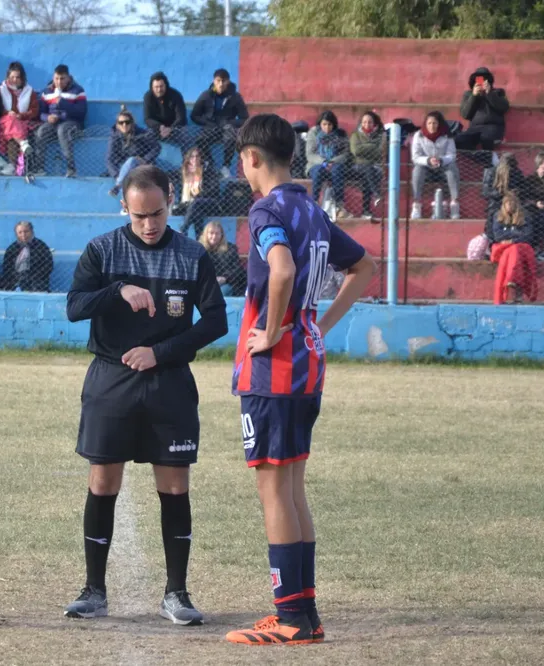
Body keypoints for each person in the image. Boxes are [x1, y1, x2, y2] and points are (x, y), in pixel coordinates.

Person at [225, 114, 375, 646]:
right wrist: (318, 324)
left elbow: (282, 271)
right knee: (291, 489)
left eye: (242, 159)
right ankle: (304, 615)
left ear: (252, 159)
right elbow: (364, 266)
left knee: (273, 491)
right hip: (307, 365)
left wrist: (269, 333)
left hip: (274, 371)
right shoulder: (310, 208)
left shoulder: (266, 208)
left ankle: (290, 618)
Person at [63, 164, 228, 626]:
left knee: (174, 487)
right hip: (111, 381)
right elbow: (75, 306)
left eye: (156, 213)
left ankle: (177, 593)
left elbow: (216, 321)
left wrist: (162, 353)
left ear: (169, 201)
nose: (149, 225)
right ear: (125, 208)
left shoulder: (193, 255)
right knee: (102, 483)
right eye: (139, 216)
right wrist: (118, 290)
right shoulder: (102, 250)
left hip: (169, 383)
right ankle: (94, 589)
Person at [190, 68, 249, 178]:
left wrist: (229, 123)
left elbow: (245, 118)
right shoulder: (206, 95)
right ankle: (209, 163)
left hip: (227, 129)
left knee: (232, 137)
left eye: (223, 81)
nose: (221, 84)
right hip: (210, 129)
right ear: (214, 81)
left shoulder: (235, 97)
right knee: (200, 139)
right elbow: (194, 115)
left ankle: (225, 167)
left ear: (228, 81)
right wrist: (207, 122)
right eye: (218, 81)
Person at [34, 64, 87, 178]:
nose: (59, 82)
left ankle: (71, 168)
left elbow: (81, 112)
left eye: (62, 78)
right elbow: (40, 113)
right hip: (53, 124)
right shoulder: (46, 92)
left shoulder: (78, 90)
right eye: (56, 78)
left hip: (73, 123)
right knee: (41, 131)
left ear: (68, 77)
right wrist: (47, 118)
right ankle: (39, 168)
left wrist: (63, 103)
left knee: (63, 130)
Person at [410, 111, 460, 220]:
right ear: (425, 124)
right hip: (426, 167)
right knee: (417, 170)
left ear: (439, 124)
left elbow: (452, 155)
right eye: (429, 123)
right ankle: (416, 204)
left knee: (452, 168)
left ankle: (454, 204)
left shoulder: (447, 135)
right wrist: (428, 160)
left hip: (443, 166)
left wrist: (441, 160)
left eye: (434, 123)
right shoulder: (418, 135)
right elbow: (415, 157)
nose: (432, 126)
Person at [490, 193, 537, 304]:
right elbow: (498, 236)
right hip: (503, 248)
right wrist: (516, 235)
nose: (510, 206)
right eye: (507, 203)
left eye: (512, 203)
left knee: (514, 251)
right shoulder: (498, 215)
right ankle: (516, 291)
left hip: (520, 247)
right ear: (503, 205)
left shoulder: (525, 215)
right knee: (514, 253)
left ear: (517, 205)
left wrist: (511, 239)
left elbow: (528, 235)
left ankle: (510, 280)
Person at [305, 110, 350, 220]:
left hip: (335, 164)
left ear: (334, 125)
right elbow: (310, 154)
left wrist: (332, 161)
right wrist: (323, 161)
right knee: (318, 171)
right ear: (320, 124)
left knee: (338, 171)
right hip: (317, 164)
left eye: (330, 124)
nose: (327, 127)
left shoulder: (340, 134)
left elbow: (345, 153)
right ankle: (314, 202)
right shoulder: (314, 133)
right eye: (324, 124)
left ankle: (340, 205)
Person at [106, 107, 160, 197]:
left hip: (141, 165)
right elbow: (109, 159)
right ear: (117, 125)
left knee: (132, 160)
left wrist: (145, 159)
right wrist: (116, 175)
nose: (124, 125)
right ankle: (121, 186)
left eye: (127, 122)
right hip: (123, 169)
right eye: (121, 123)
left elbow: (157, 147)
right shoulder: (115, 137)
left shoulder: (142, 133)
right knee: (128, 172)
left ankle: (118, 186)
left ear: (132, 123)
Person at [0, 61, 40, 173]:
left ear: (22, 78)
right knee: (11, 121)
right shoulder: (1, 90)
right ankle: (23, 144)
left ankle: (12, 166)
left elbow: (34, 110)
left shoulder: (29, 91)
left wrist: (21, 115)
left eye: (17, 77)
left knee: (12, 137)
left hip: (23, 122)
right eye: (12, 77)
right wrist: (8, 113)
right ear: (7, 77)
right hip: (5, 121)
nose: (14, 80)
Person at [455, 67, 510, 153]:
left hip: (493, 128)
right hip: (475, 128)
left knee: (486, 138)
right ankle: (487, 160)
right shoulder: (468, 94)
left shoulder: (498, 92)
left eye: (485, 80)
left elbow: (504, 108)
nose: (482, 82)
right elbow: (465, 114)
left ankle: (488, 162)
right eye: (479, 80)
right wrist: (474, 96)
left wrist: (489, 94)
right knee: (458, 140)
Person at [171, 146, 221, 238]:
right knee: (197, 212)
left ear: (201, 158)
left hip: (209, 202)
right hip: (192, 206)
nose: (195, 159)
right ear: (188, 158)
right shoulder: (184, 172)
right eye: (192, 156)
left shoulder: (208, 171)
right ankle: (200, 239)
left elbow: (214, 189)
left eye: (197, 156)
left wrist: (198, 195)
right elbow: (168, 175)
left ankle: (182, 229)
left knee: (196, 203)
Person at [348, 111, 384, 219]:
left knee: (368, 174)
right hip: (357, 167)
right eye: (364, 122)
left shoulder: (381, 136)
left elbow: (381, 152)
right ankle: (376, 195)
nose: (367, 124)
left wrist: (364, 148)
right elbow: (355, 151)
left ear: (374, 124)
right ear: (361, 123)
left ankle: (366, 211)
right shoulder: (355, 135)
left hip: (374, 168)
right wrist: (372, 146)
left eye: (370, 122)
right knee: (368, 169)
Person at [481, 152, 524, 241]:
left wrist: (516, 192)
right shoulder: (491, 172)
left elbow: (524, 189)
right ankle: (491, 240)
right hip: (496, 202)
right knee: (493, 213)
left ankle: (517, 238)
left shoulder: (517, 173)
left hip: (513, 202)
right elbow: (485, 192)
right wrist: (501, 193)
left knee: (523, 213)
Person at [1, 220, 53, 292]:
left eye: (26, 231)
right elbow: (7, 268)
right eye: (20, 232)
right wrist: (18, 277)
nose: (23, 235)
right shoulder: (12, 248)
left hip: (36, 280)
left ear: (32, 232)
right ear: (16, 234)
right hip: (16, 279)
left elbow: (48, 266)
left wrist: (32, 276)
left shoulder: (41, 246)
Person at [199, 220, 246, 297]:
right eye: (211, 233)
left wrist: (225, 278)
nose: (214, 236)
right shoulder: (199, 249)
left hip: (226, 282)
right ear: (206, 234)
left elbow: (237, 269)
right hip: (205, 282)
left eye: (217, 233)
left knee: (221, 292)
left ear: (222, 235)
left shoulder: (230, 248)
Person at [143, 71, 188, 150]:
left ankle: (186, 161)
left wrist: (170, 129)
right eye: (156, 87)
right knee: (146, 137)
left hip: (175, 128)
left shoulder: (175, 95)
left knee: (186, 137)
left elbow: (181, 117)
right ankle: (148, 160)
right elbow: (147, 118)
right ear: (152, 87)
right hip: (157, 129)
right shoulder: (148, 97)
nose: (159, 89)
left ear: (166, 85)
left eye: (161, 86)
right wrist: (160, 127)